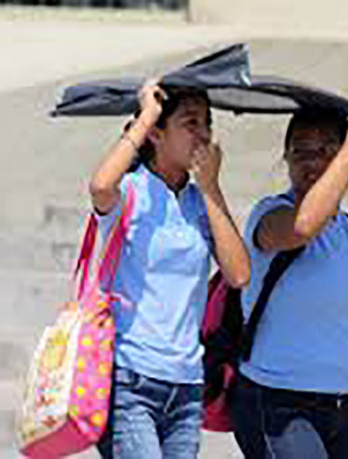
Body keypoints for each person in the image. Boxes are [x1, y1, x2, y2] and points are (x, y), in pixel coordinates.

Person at [229, 104, 348, 458]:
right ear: (286, 158)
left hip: (342, 410)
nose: (312, 161)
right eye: (300, 150)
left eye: (325, 150)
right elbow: (303, 226)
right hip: (278, 405)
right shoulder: (270, 215)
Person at [90, 79, 250, 458]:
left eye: (207, 123)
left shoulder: (199, 201)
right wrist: (146, 115)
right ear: (157, 134)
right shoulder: (132, 190)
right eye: (190, 122)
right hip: (129, 379)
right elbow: (100, 187)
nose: (203, 134)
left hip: (186, 385)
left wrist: (211, 189)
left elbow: (240, 274)